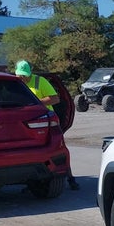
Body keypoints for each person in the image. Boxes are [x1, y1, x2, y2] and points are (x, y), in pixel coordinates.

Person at [15, 60, 80, 190]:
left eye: (25, 75)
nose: (23, 78)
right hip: (27, 123)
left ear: (30, 72)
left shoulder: (40, 81)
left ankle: (70, 178)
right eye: (20, 75)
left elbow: (55, 98)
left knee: (58, 150)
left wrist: (36, 103)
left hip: (46, 122)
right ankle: (32, 181)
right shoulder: (15, 84)